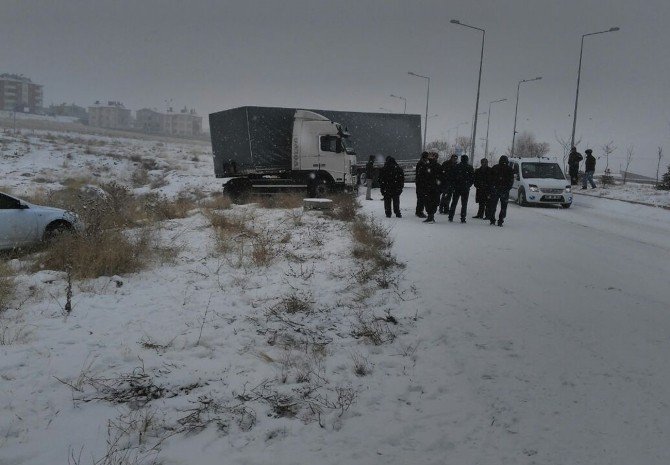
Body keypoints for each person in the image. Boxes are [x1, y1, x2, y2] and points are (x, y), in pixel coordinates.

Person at [487, 155, 515, 227]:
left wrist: (492, 188)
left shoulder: (495, 167)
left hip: (495, 190)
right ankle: (500, 221)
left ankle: (492, 220)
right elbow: (511, 181)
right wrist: (507, 188)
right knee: (503, 207)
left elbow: (490, 179)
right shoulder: (509, 169)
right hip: (504, 191)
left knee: (493, 206)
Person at [448, 155, 475, 223]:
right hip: (465, 188)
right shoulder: (470, 167)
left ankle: (450, 216)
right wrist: (468, 185)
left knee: (454, 202)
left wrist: (454, 185)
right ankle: (463, 218)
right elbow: (472, 178)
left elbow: (452, 177)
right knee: (464, 204)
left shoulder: (456, 166)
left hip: (457, 188)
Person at [416, 152, 441, 223]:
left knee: (428, 201)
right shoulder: (437, 166)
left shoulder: (426, 166)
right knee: (433, 202)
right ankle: (431, 216)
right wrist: (439, 186)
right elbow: (441, 178)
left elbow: (421, 177)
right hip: (433, 188)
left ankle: (430, 216)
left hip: (428, 188)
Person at [414, 152, 429, 218]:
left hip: (420, 183)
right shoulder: (423, 164)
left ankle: (419, 211)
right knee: (421, 198)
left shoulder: (420, 163)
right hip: (422, 183)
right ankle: (419, 212)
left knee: (420, 198)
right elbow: (422, 174)